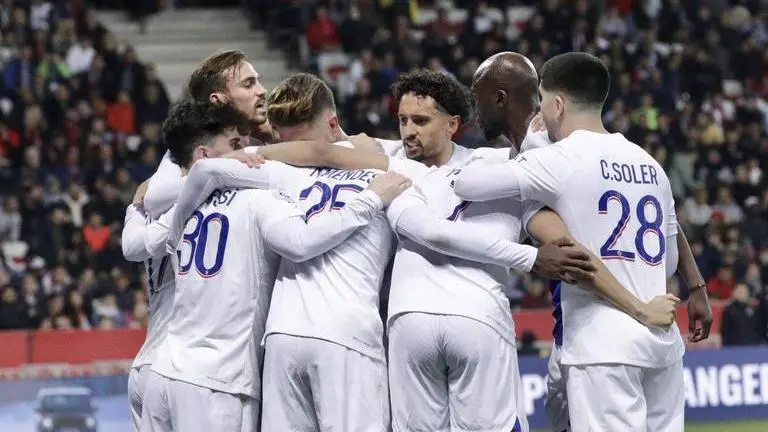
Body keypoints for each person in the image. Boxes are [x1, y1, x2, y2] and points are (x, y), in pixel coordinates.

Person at [454, 52, 706, 431]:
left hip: (601, 345)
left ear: (555, 105)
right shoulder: (649, 162)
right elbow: (669, 260)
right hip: (661, 341)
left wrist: (531, 144)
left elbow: (465, 185)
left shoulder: (559, 158)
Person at [141, 99, 410, 432]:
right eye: (237, 145)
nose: (251, 151)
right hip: (217, 380)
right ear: (206, 154)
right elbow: (300, 242)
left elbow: (140, 228)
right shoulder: (258, 198)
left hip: (163, 370)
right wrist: (368, 201)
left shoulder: (179, 209)